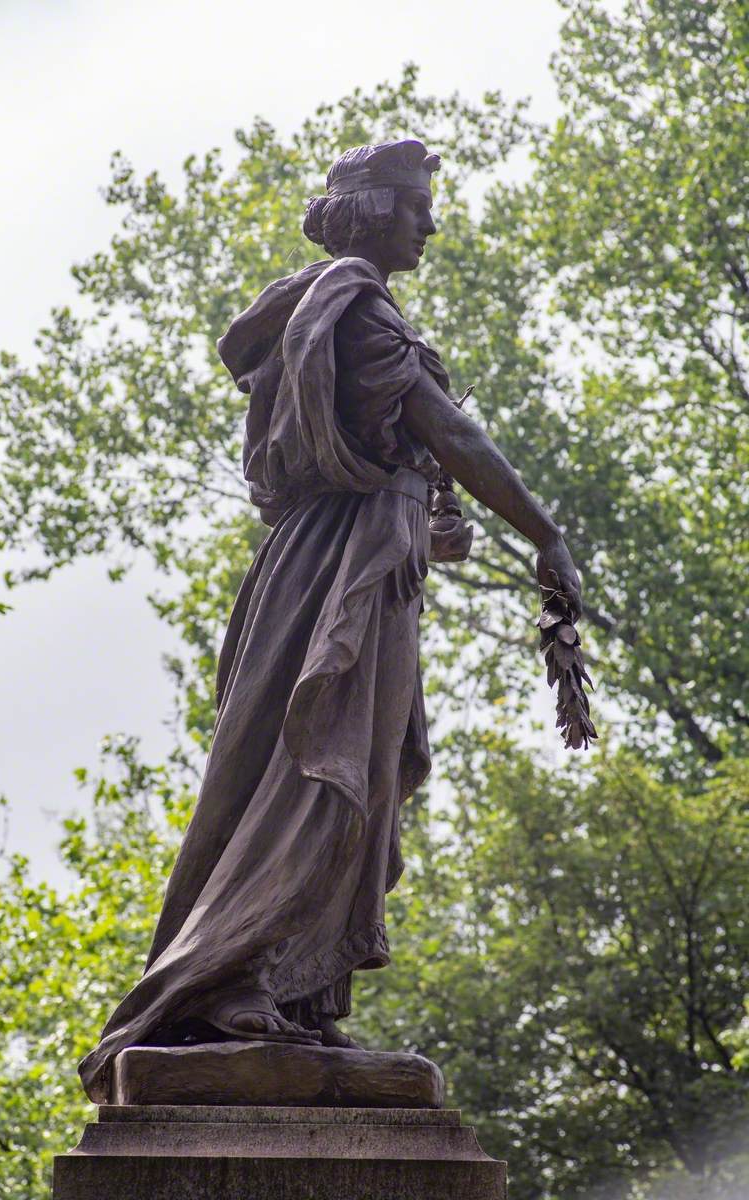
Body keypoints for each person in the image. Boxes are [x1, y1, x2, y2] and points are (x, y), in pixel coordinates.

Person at [79, 139, 582, 1104]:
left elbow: (395, 450)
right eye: (416, 205)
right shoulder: (351, 307)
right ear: (369, 211)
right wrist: (545, 537)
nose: (430, 223)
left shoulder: (334, 309)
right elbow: (453, 432)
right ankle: (231, 984)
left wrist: (417, 519)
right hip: (336, 573)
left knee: (345, 771)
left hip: (347, 561)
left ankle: (296, 996)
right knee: (317, 770)